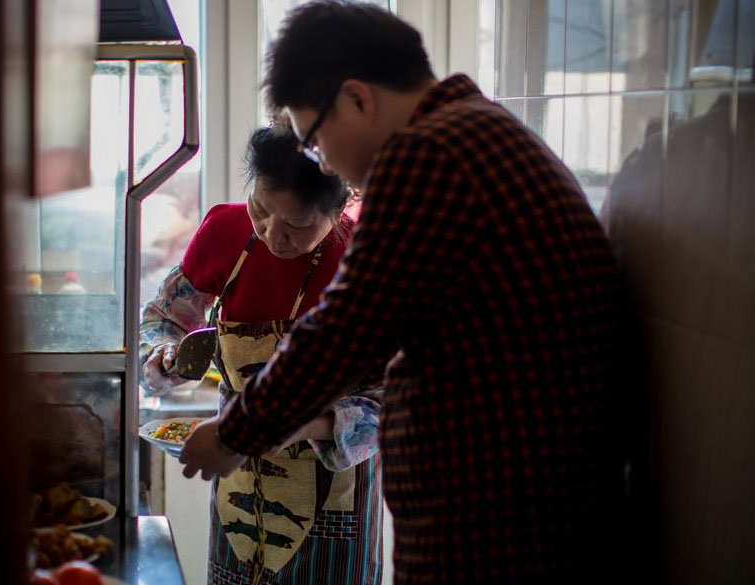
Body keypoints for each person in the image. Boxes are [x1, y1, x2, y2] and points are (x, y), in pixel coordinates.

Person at [180, 2, 625, 584]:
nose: (322, 163)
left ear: (357, 100)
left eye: (314, 143)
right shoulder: (478, 133)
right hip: (527, 508)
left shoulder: (429, 156)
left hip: (501, 524)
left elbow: (345, 330)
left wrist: (235, 434)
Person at [140, 124, 384, 585]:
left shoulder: (367, 258)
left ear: (339, 209)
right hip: (239, 492)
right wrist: (163, 352)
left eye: (297, 226)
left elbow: (390, 401)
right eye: (260, 209)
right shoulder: (223, 232)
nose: (273, 235)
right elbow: (161, 317)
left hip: (335, 496)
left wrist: (295, 426)